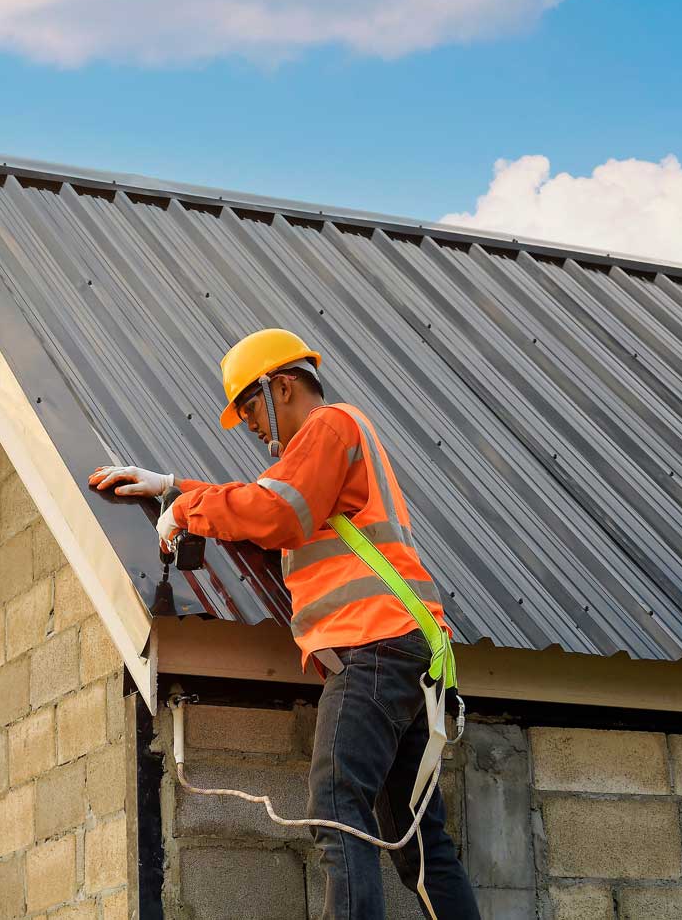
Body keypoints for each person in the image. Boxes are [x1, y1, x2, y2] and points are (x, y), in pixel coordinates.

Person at [88, 327, 481, 920]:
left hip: (372, 647)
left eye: (250, 407)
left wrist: (184, 510)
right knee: (420, 844)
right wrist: (171, 486)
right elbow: (267, 500)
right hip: (411, 653)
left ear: (285, 386)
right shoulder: (335, 446)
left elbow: (277, 513)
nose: (250, 425)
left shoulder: (329, 425)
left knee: (334, 805)